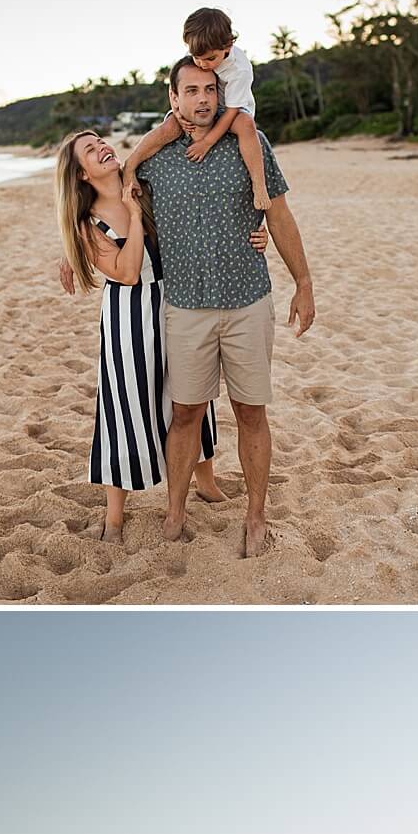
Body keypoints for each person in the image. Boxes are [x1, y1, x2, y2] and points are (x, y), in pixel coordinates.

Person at [130, 58, 316, 557]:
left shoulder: (249, 146)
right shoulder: (154, 160)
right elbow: (105, 206)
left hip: (248, 302)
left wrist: (304, 282)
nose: (203, 99)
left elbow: (278, 215)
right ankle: (175, 511)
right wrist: (72, 251)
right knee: (185, 412)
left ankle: (255, 516)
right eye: (191, 90)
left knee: (251, 412)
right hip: (185, 307)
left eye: (210, 88)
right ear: (173, 98)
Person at [54, 128, 264, 543]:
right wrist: (131, 219)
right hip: (129, 317)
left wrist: (255, 232)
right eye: (91, 151)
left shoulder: (145, 186)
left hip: (178, 301)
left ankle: (205, 481)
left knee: (187, 396)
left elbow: (200, 208)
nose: (103, 149)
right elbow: (129, 272)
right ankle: (115, 516)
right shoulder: (87, 223)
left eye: (101, 142)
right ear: (80, 174)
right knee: (126, 406)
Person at [123, 7, 272, 211]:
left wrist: (207, 142)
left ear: (228, 45)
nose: (202, 64)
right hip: (200, 106)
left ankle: (259, 184)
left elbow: (230, 112)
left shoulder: (240, 70)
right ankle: (131, 164)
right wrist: (176, 112)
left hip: (233, 110)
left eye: (210, 59)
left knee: (247, 125)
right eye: (197, 58)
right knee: (169, 127)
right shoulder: (199, 49)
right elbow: (173, 83)